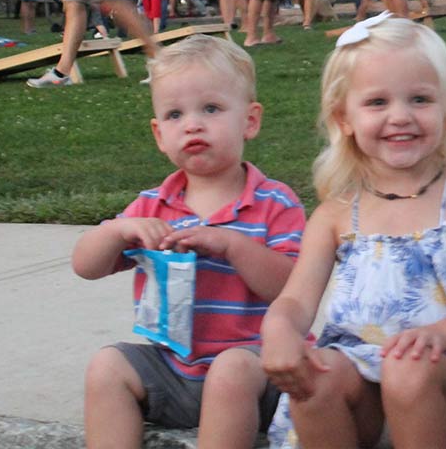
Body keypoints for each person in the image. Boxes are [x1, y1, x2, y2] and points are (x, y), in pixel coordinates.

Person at [259, 15, 446, 449]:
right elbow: (296, 300)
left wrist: (440, 335)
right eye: (377, 103)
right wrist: (279, 330)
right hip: (364, 375)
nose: (400, 116)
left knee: (408, 367)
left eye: (420, 99)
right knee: (317, 377)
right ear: (344, 117)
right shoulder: (337, 214)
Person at [70, 36, 305, 449]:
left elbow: (292, 287)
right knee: (107, 366)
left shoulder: (275, 202)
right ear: (160, 135)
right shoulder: (151, 206)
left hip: (259, 369)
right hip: (174, 369)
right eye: (175, 114)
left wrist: (232, 246)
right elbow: (85, 266)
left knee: (230, 369)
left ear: (250, 121)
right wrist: (116, 232)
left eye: (211, 109)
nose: (193, 124)